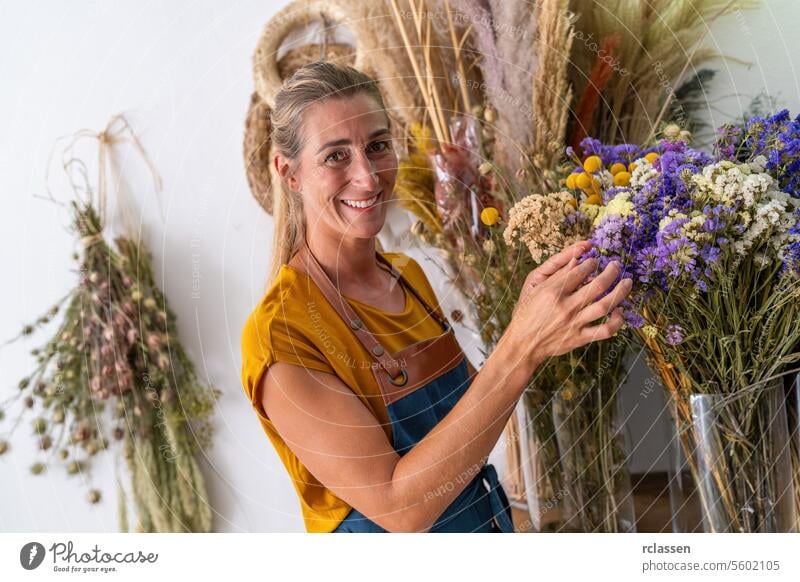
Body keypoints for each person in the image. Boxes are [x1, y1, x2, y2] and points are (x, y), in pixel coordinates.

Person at [240, 60, 632, 533]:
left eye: (378, 146)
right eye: (335, 156)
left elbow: (473, 427)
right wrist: (522, 345)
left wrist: (546, 324)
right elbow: (401, 508)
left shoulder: (406, 276)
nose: (367, 176)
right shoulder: (280, 334)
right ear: (290, 173)